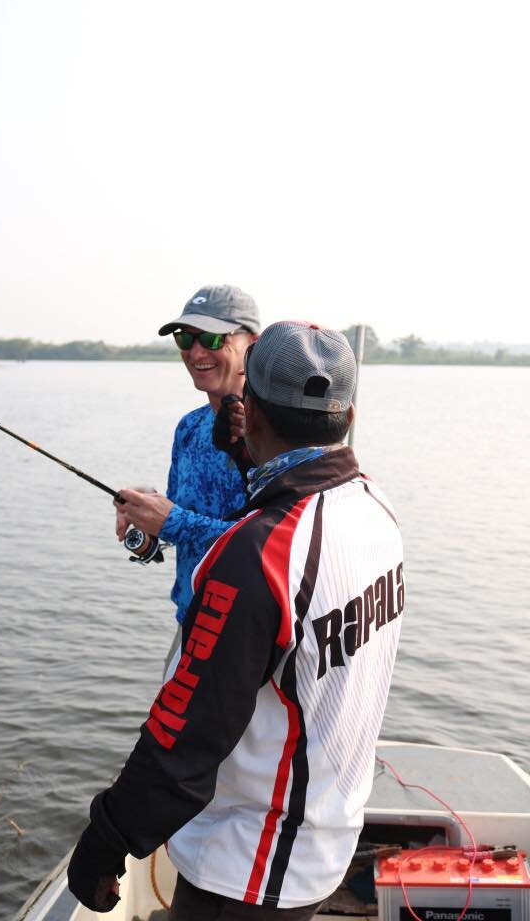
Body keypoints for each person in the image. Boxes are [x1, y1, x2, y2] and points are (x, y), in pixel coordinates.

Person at [68, 320, 405, 919]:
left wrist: (106, 837)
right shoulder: (376, 514)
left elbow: (186, 737)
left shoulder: (258, 557)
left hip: (250, 861)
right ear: (348, 417)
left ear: (246, 408)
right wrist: (245, 457)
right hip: (325, 833)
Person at [114, 284, 260, 625]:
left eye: (211, 339)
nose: (196, 353)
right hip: (190, 621)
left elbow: (274, 542)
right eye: (185, 339)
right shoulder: (189, 427)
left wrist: (172, 520)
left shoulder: (274, 432)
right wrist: (146, 510)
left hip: (250, 634)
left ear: (252, 343)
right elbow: (182, 521)